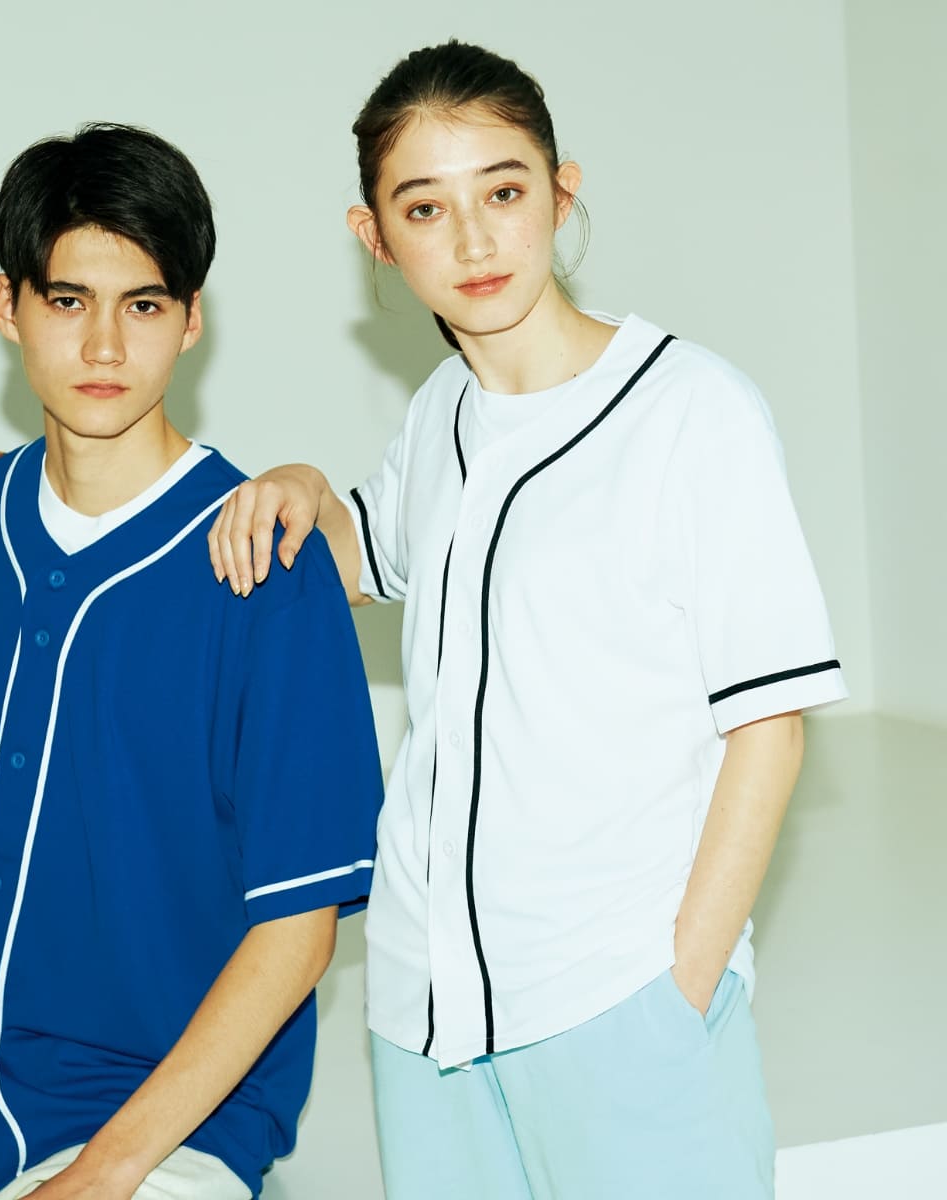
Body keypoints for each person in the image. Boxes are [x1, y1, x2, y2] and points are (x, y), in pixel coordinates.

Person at [208, 40, 846, 1200]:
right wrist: (301, 481)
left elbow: (770, 726)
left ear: (561, 192)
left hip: (621, 1002)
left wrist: (679, 987)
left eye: (502, 192)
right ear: (374, 237)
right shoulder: (440, 414)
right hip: (424, 1013)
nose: (473, 240)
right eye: (425, 207)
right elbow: (360, 555)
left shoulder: (691, 412)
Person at [0, 123, 382, 1200]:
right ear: (10, 306)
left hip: (171, 1126)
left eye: (143, 305)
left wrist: (103, 1174)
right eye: (68, 300)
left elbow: (297, 933)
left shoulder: (268, 566)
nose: (104, 347)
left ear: (191, 320)